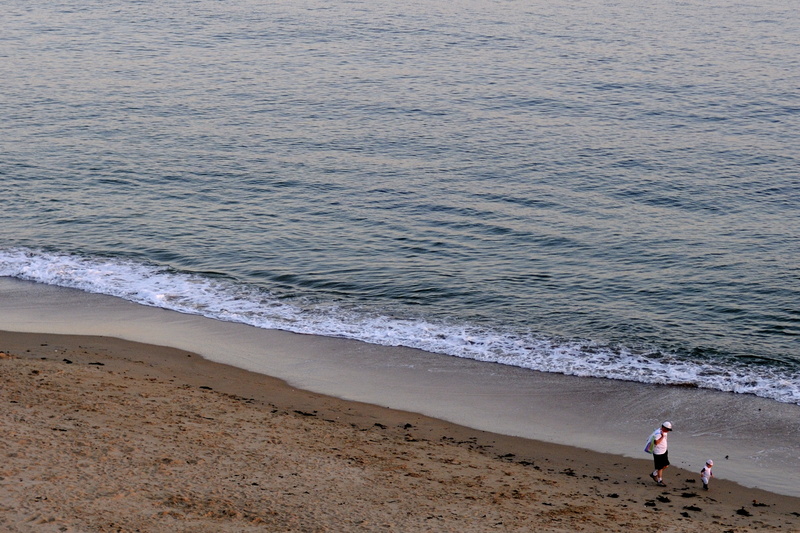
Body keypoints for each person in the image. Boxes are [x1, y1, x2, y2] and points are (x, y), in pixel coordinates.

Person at [648, 421, 673, 486]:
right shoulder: (658, 433)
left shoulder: (664, 432)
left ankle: (654, 474)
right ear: (663, 427)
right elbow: (656, 442)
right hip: (658, 453)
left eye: (669, 430)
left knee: (666, 465)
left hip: (664, 451)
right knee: (660, 467)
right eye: (667, 429)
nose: (668, 431)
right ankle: (660, 481)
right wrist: (662, 436)